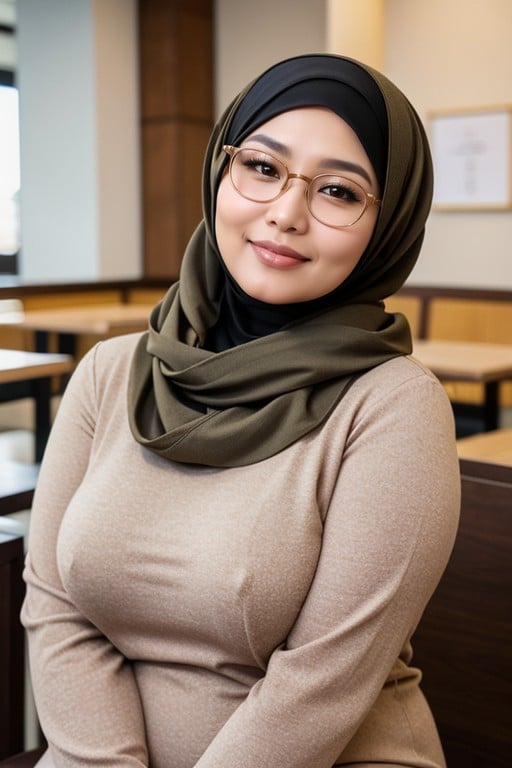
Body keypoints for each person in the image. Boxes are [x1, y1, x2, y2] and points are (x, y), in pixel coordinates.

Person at [21, 53, 460, 768]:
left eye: (340, 191)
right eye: (261, 167)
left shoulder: (394, 405)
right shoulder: (108, 371)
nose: (285, 214)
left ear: (389, 223)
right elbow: (54, 602)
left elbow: (325, 680)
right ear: (220, 171)